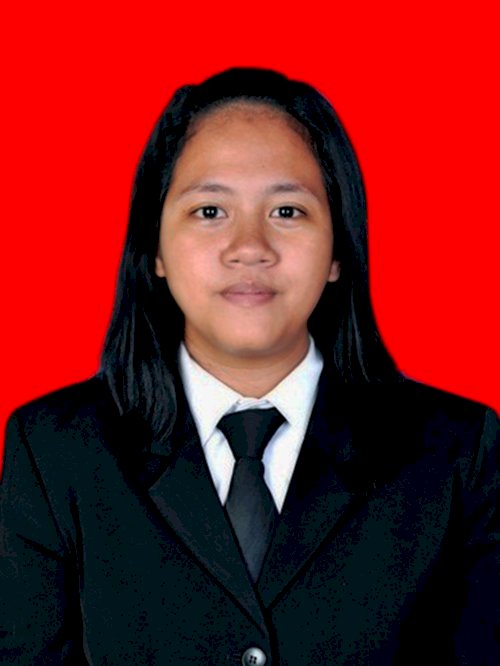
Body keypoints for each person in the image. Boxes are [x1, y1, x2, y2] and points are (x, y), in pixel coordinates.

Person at [0, 67, 498, 665]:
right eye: (210, 210)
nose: (249, 248)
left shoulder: (458, 454)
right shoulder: (55, 451)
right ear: (154, 249)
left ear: (338, 251)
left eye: (287, 211)